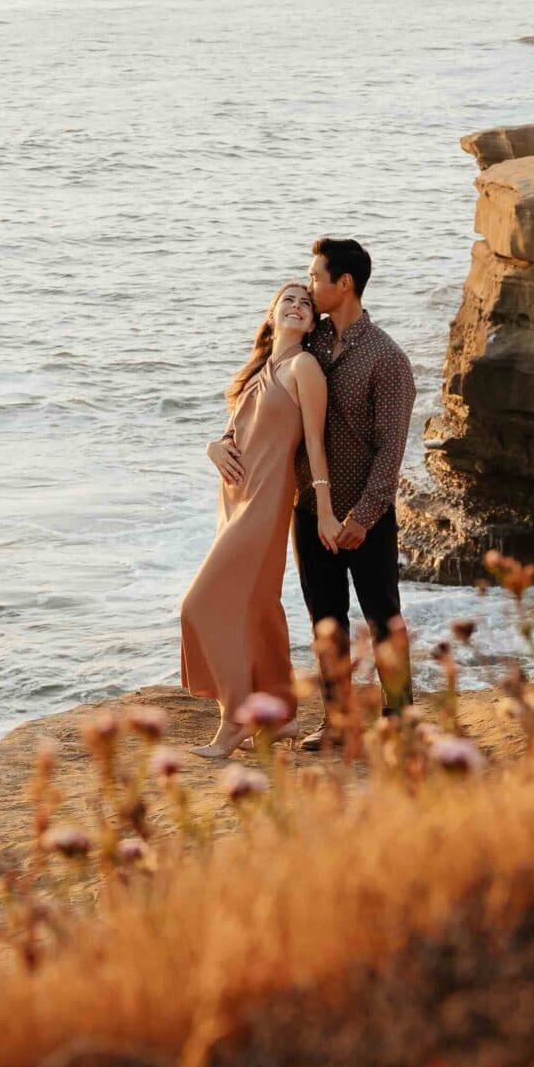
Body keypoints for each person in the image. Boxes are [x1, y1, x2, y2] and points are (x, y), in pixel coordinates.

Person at [180, 282, 340, 758]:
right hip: (233, 498)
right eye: (287, 300)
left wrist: (326, 512)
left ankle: (235, 722)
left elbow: (315, 445)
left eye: (305, 303)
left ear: (311, 323)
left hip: (267, 501)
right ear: (271, 315)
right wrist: (211, 447)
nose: (297, 306)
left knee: (201, 604)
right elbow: (233, 434)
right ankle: (275, 718)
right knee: (255, 607)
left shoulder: (304, 368)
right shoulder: (257, 370)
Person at [289, 238, 414, 713]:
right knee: (325, 619)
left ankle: (400, 716)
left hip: (368, 517)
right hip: (310, 512)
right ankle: (337, 721)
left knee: (383, 617)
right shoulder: (310, 343)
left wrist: (363, 516)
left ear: (344, 284)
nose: (309, 284)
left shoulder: (388, 359)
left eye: (316, 277)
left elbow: (391, 451)